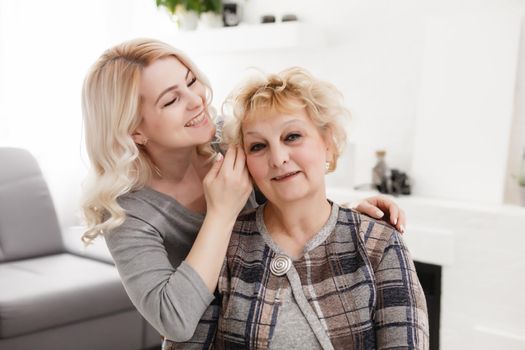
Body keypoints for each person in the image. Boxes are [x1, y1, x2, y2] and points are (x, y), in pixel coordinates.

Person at [80, 38, 407, 345]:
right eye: (171, 99)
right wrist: (221, 213)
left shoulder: (226, 141)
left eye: (191, 82)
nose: (196, 101)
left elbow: (285, 189)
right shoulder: (126, 212)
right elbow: (174, 319)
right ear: (134, 129)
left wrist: (343, 220)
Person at [210, 67, 429, 349]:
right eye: (258, 146)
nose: (278, 158)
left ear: (327, 142)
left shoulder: (380, 244)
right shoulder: (227, 244)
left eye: (292, 137)